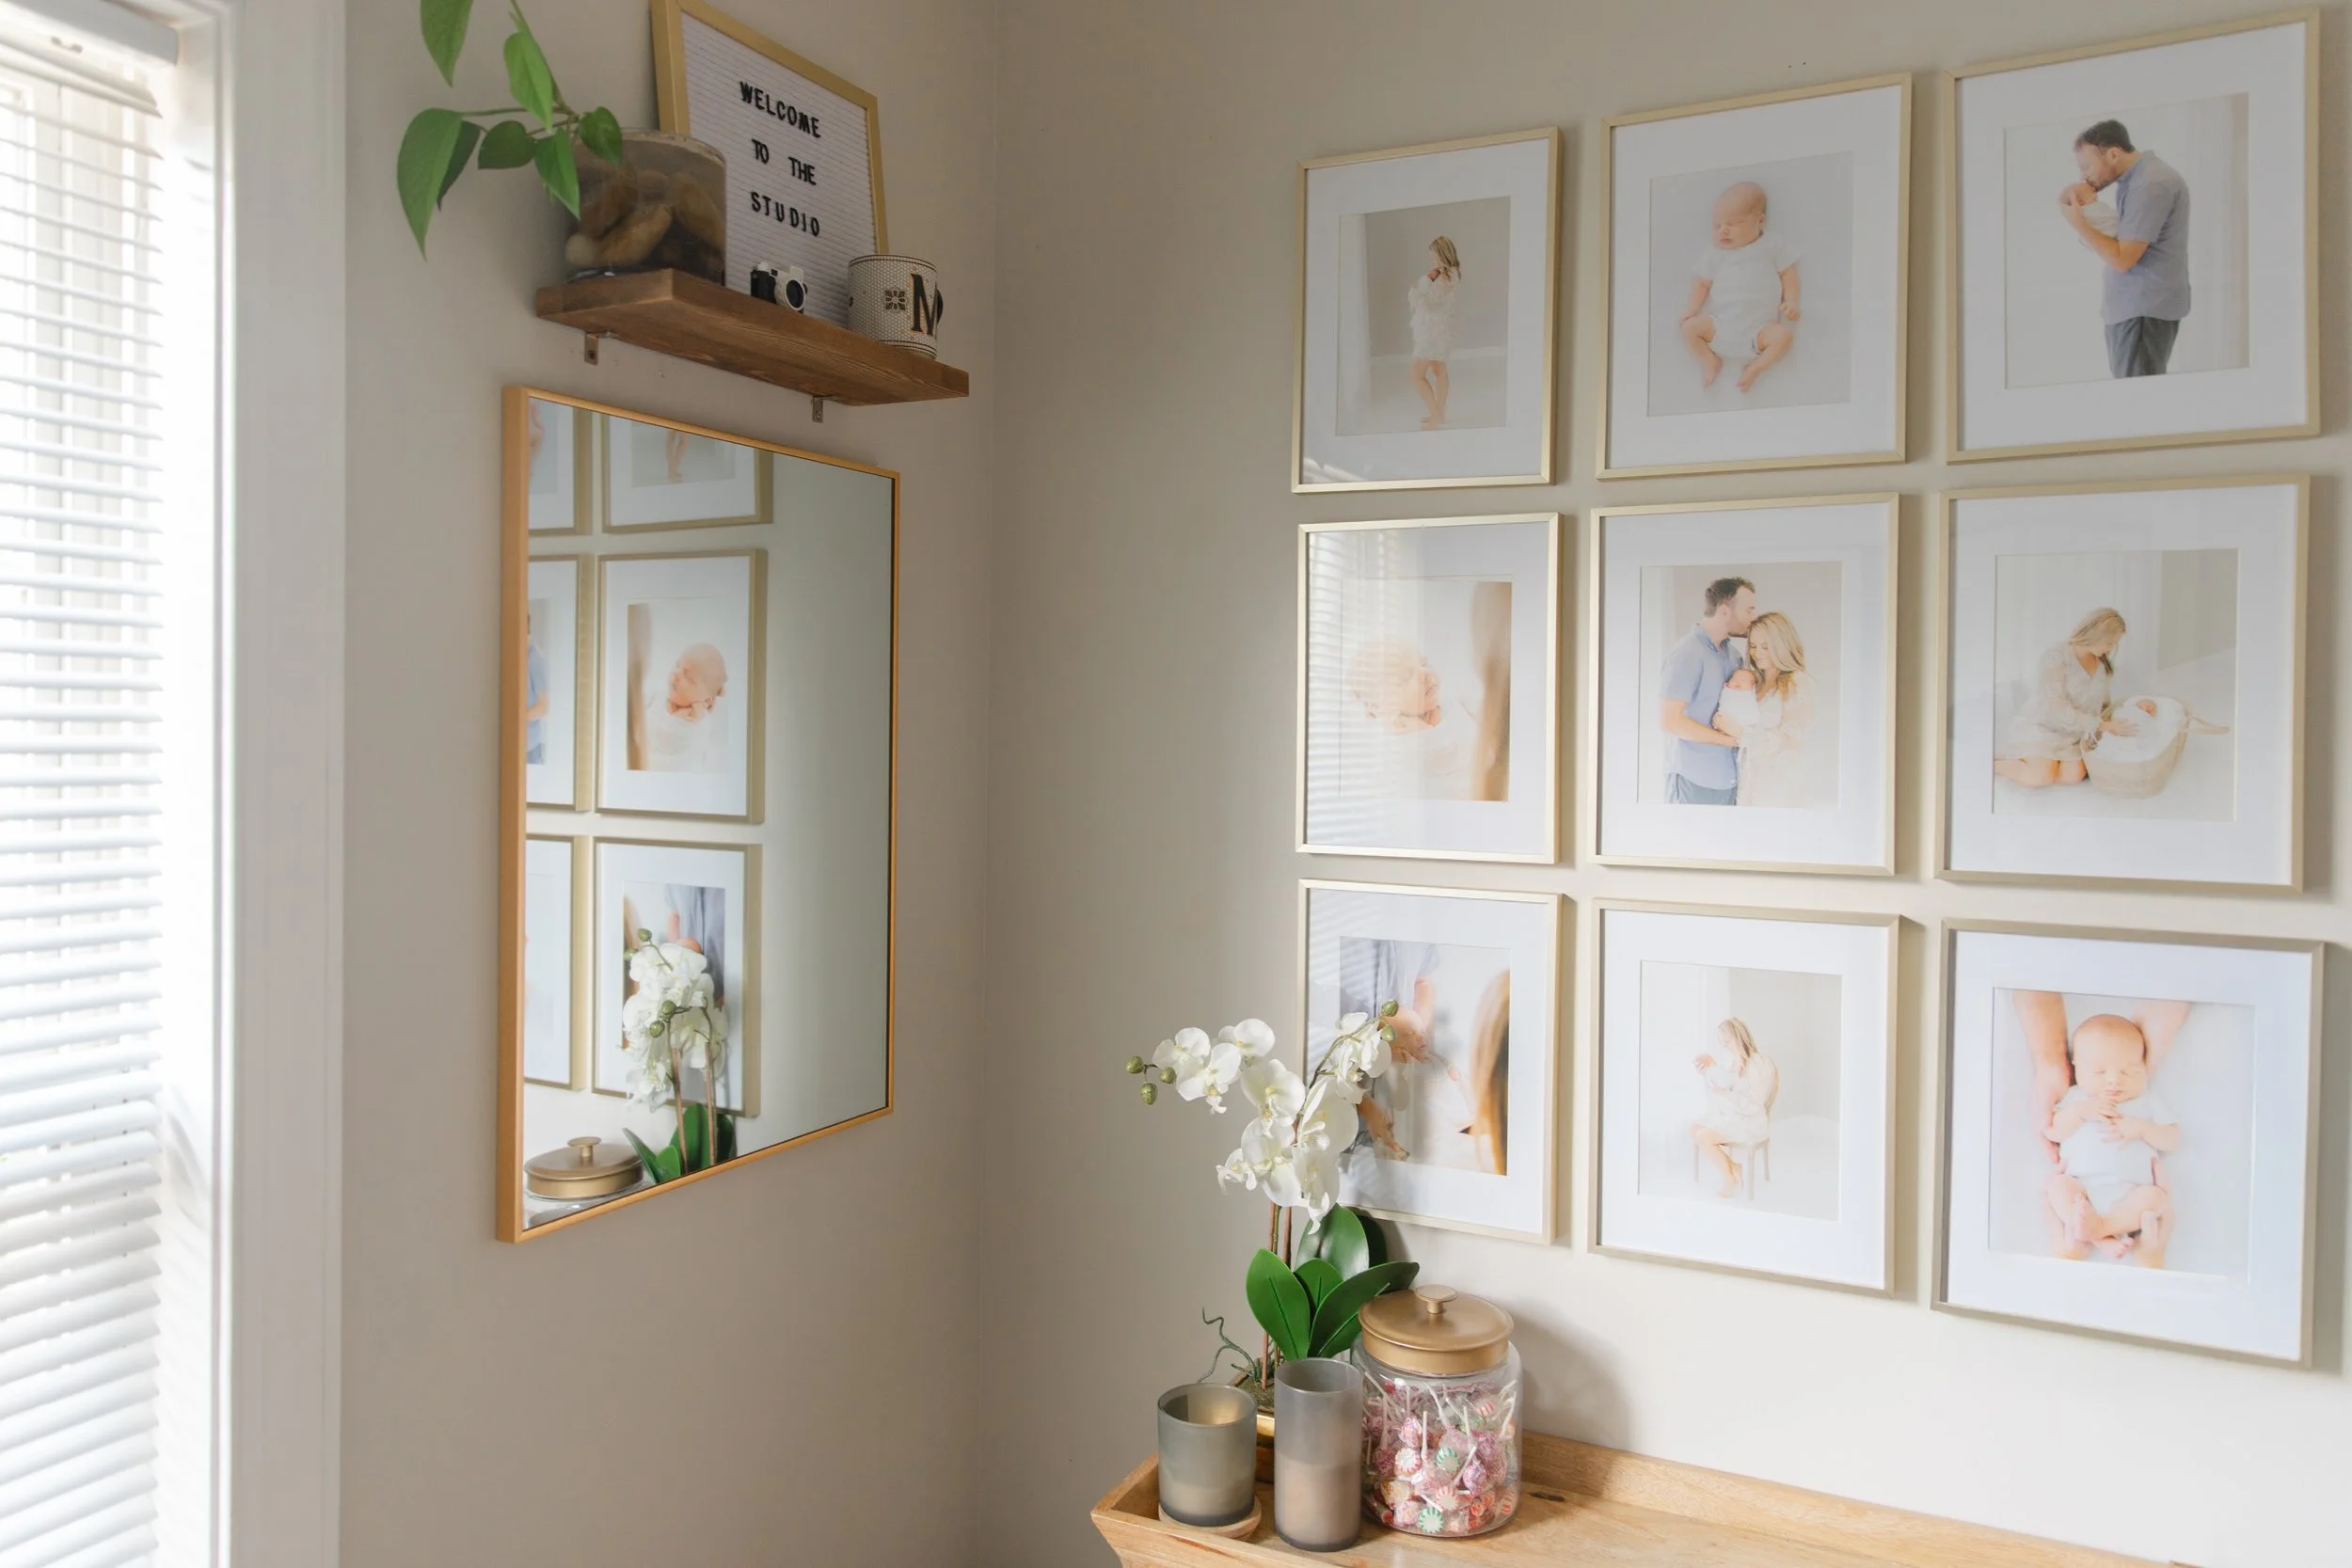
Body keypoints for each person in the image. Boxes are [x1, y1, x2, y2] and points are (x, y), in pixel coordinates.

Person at [2042, 1012, 2180, 1267]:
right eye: (2099, 1071)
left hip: (2132, 1194)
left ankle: (2100, 1229)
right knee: (2057, 1187)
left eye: (2129, 1071)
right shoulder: (2075, 1098)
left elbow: (2173, 1140)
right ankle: (2100, 1236)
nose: (2114, 1080)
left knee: (2156, 1199)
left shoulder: (2146, 1100)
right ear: (2076, 1067)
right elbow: (2053, 1132)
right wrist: (2081, 1112)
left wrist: (2142, 1129)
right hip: (2081, 1188)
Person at [2057, 119, 2191, 378]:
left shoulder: (2149, 185)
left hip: (2142, 310)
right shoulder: (2137, 181)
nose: (2084, 176)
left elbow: (2122, 259)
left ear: (2113, 154)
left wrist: (2078, 223)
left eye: (2087, 166)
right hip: (2136, 309)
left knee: (2135, 394)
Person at [1994, 608, 2156, 790]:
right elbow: (2055, 709)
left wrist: (2135, 706)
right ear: (2096, 634)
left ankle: (2038, 761)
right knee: (2040, 776)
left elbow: (2103, 707)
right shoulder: (2057, 657)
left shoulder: (2102, 666)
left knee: (2072, 775)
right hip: (2046, 725)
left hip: (2075, 734)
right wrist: (2100, 725)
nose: (2110, 649)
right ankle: (1994, 764)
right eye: (2109, 642)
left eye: (2114, 644)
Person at [1680, 182, 1802, 394]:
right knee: (1689, 328)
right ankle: (1709, 360)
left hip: (1760, 330)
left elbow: (1788, 273)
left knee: (1784, 337)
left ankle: (1755, 368)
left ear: (1760, 221)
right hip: (1720, 326)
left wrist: (1791, 301)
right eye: (1717, 226)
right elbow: (1702, 283)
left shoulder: (1771, 244)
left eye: (1734, 223)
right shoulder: (1715, 253)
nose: (1724, 231)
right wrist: (1692, 310)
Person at [1657, 576, 1753, 804]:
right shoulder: (1686, 654)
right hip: (1693, 781)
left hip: (1730, 781)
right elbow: (1669, 721)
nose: (1753, 617)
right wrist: (1730, 741)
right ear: (1725, 611)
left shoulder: (1734, 657)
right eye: (1748, 610)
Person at [1710, 611, 1813, 808]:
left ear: (1782, 644)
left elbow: (1791, 743)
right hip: (1749, 783)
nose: (1757, 653)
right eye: (1753, 646)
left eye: (1765, 647)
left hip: (1778, 789)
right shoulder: (1754, 684)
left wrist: (1739, 733)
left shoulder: (1797, 682)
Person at [1691, 1018, 1777, 1198]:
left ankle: (1729, 1179)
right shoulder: (1734, 1060)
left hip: (1750, 1121)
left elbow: (1753, 1103)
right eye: (1723, 1042)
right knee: (1694, 1129)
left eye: (1728, 1041)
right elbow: (1726, 1086)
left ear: (1739, 1037)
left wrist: (1725, 1093)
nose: (1725, 1045)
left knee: (1703, 1137)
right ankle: (1734, 1166)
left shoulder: (1756, 1064)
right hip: (1736, 1114)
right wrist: (1709, 1070)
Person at [637, 641, 730, 773]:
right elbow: (638, 704)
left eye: (689, 678)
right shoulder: (659, 696)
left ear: (706, 701)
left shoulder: (695, 723)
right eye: (677, 665)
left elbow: (667, 742)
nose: (675, 674)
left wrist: (678, 718)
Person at [1407, 236, 1461, 430]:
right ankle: (1439, 414)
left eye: (1435, 257)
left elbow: (1431, 302)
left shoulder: (1447, 276)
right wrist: (1424, 285)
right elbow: (1429, 299)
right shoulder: (1442, 274)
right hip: (1437, 328)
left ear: (1442, 254)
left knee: (1417, 374)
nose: (1433, 261)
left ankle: (1436, 415)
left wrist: (1419, 288)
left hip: (1433, 330)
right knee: (1439, 370)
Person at [523, 602, 550, 766]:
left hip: (530, 749)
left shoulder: (535, 658)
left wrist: (517, 719)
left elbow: (543, 706)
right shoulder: (516, 655)